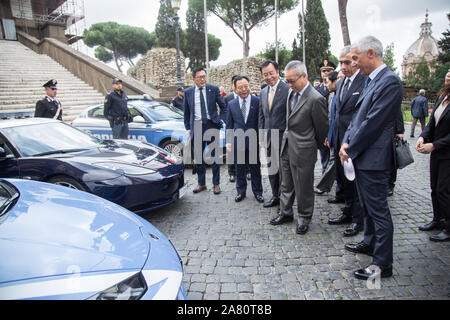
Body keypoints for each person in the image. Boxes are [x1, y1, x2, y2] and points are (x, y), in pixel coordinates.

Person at [339, 36, 403, 280]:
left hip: (374, 159)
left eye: (356, 58)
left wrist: (350, 147)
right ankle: (369, 242)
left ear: (371, 53)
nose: (353, 63)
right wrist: (347, 142)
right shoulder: (372, 81)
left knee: (378, 211)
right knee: (366, 205)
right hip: (363, 155)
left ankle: (382, 264)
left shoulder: (390, 82)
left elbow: (373, 122)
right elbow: (358, 117)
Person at [270, 60, 328, 235]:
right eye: (286, 81)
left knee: (303, 187)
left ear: (304, 76)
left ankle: (304, 217)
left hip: (304, 150)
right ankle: (286, 212)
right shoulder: (291, 93)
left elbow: (322, 129)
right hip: (287, 146)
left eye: (292, 81)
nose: (288, 84)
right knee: (286, 184)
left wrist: (310, 147)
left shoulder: (316, 99)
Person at [327, 46, 367, 238]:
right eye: (340, 62)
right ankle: (347, 211)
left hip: (354, 142)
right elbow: (337, 114)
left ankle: (358, 220)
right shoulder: (341, 84)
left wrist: (351, 141)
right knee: (343, 179)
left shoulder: (366, 82)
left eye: (347, 62)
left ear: (356, 61)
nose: (342, 66)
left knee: (356, 181)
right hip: (338, 140)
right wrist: (332, 137)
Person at [416, 69, 450, 242]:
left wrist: (434, 145)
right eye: (448, 71)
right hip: (436, 152)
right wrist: (423, 136)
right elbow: (431, 124)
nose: (449, 74)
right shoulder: (441, 97)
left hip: (446, 153)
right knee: (434, 188)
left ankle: (448, 226)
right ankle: (437, 219)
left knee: (444, 190)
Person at [184, 67, 226, 195]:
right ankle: (201, 184)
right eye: (199, 77)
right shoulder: (188, 92)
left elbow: (224, 106)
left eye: (204, 76)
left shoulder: (213, 89)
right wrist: (188, 128)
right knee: (199, 158)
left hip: (211, 125)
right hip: (196, 127)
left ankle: (216, 184)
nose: (202, 79)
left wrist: (219, 120)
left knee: (215, 156)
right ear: (193, 79)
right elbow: (186, 112)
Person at [226, 76, 264, 203]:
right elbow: (229, 124)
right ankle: (240, 192)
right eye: (240, 87)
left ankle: (258, 192)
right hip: (238, 142)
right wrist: (229, 141)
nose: (244, 89)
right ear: (235, 89)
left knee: (255, 168)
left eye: (246, 86)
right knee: (240, 168)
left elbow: (261, 121)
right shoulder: (231, 104)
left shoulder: (257, 101)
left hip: (254, 140)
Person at [258, 60, 290, 208]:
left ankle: (285, 202)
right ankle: (275, 196)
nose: (269, 77)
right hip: (269, 139)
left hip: (284, 139)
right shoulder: (263, 92)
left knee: (284, 173)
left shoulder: (287, 89)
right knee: (272, 170)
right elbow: (262, 116)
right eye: (265, 74)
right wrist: (262, 136)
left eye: (271, 73)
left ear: (278, 72)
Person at [315, 71, 338, 196]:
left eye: (328, 82)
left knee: (333, 160)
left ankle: (324, 185)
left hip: (339, 135)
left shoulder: (338, 95)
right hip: (328, 133)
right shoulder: (331, 95)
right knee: (327, 160)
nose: (327, 85)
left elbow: (334, 118)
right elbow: (329, 117)